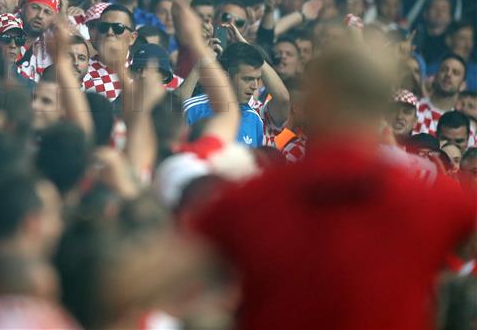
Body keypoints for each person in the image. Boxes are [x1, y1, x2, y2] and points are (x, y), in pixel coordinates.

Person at [188, 47, 477, 330]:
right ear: (380, 110)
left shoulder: (250, 199)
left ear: (313, 104)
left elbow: (176, 277)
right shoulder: (431, 200)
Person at [183, 37, 290, 148]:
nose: (255, 86)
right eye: (247, 79)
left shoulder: (255, 120)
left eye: (257, 79)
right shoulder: (192, 110)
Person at [413, 53, 468, 136]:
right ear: (434, 77)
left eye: (455, 72)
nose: (448, 74)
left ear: (463, 85)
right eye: (444, 69)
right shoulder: (414, 108)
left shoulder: (464, 126)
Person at [17, 0, 61, 82]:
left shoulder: (51, 49)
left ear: (54, 19)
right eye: (35, 7)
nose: (40, 15)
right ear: (23, 7)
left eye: (47, 12)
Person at [426, 22, 477, 92]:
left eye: (470, 39)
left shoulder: (475, 71)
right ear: (449, 40)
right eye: (462, 39)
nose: (468, 45)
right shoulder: (433, 70)